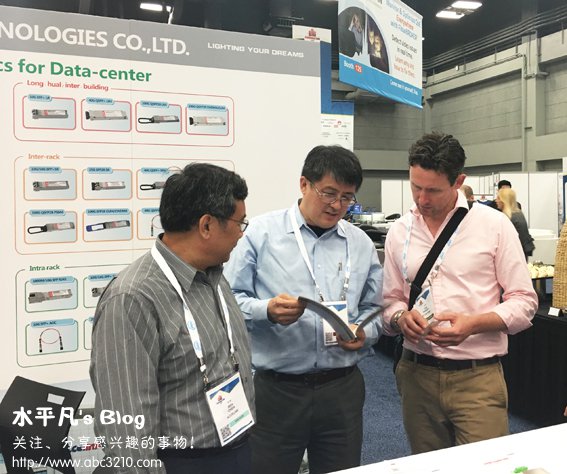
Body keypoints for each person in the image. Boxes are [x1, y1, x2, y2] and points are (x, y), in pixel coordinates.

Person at [224, 145, 383, 474]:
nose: (337, 205)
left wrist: (365, 333)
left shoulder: (360, 243)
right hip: (277, 390)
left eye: (347, 197)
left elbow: (375, 307)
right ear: (303, 184)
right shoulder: (261, 234)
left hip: (342, 388)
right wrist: (266, 310)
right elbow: (227, 300)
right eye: (329, 193)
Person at [90, 163, 255, 474]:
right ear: (207, 225)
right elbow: (126, 428)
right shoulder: (133, 299)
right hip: (181, 461)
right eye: (239, 223)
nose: (241, 233)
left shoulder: (214, 276)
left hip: (236, 447)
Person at [382, 132, 538, 455]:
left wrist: (474, 324)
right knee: (429, 466)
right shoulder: (400, 230)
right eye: (415, 187)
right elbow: (389, 301)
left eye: (433, 190)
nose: (422, 199)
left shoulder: (494, 226)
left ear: (459, 181)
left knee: (486, 465)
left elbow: (525, 302)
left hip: (477, 377)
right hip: (416, 374)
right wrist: (399, 318)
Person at [496, 187, 535, 260]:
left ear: (504, 200)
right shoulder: (518, 213)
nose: (496, 200)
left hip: (514, 256)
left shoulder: (509, 217)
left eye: (498, 198)